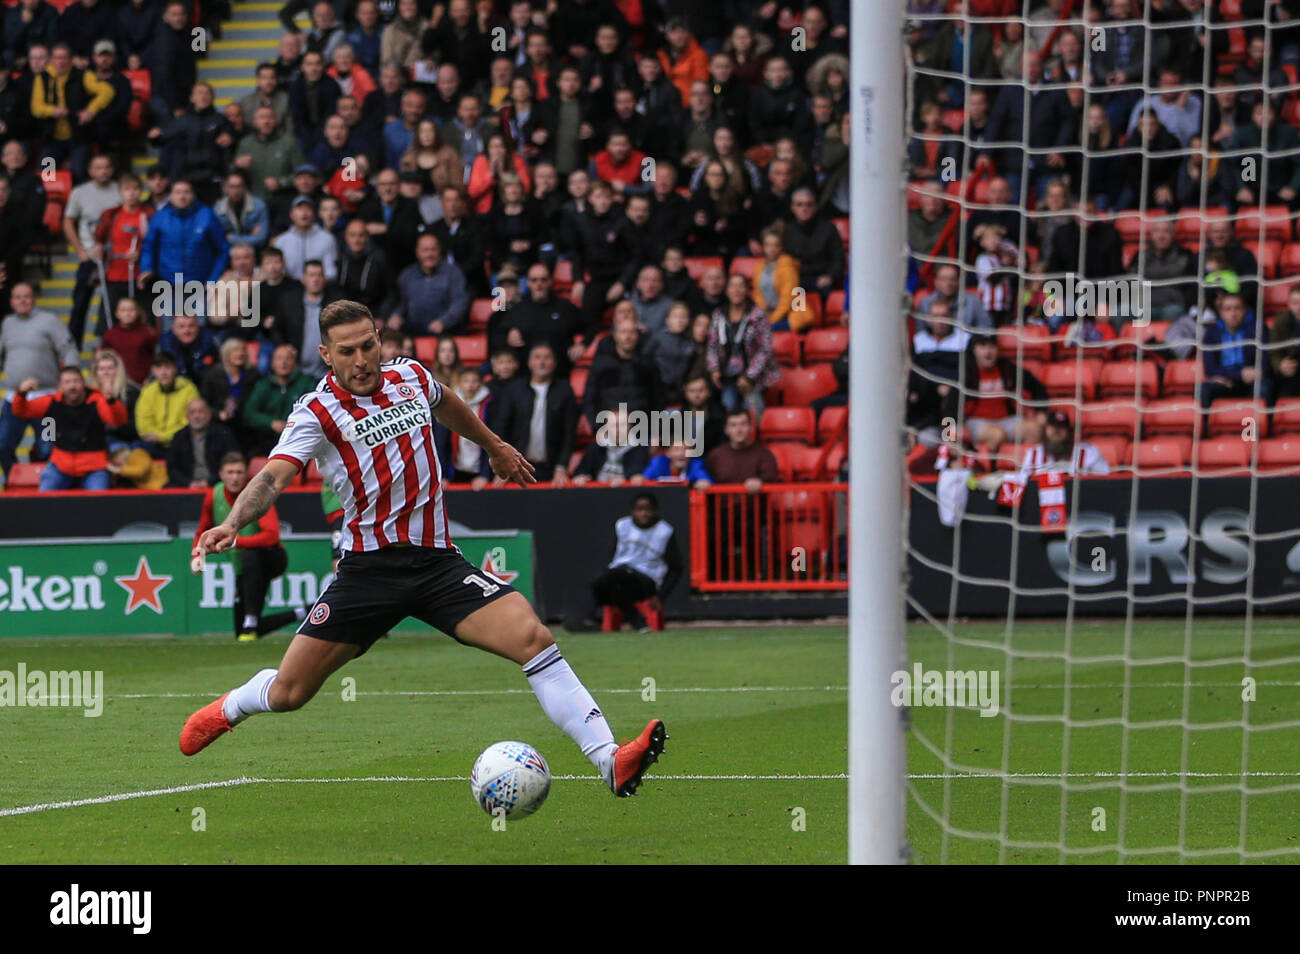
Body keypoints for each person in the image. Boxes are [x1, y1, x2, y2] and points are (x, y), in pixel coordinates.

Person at [183, 299, 667, 800]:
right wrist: (233, 521)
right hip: (368, 572)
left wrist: (495, 446)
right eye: (347, 351)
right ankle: (233, 707)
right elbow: (272, 476)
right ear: (327, 355)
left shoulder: (410, 375)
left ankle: (610, 760)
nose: (362, 360)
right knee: (290, 692)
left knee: (533, 637)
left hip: (438, 564)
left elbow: (448, 401)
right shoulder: (317, 411)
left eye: (369, 345)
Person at [194, 452, 307, 641]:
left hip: (271, 557)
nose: (235, 477)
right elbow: (202, 530)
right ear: (221, 474)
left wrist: (237, 542)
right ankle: (302, 613)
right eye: (230, 472)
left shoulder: (257, 494)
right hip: (243, 566)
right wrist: (197, 554)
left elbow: (272, 536)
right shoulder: (213, 495)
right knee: (243, 633)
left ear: (247, 474)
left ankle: (251, 619)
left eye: (239, 472)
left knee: (250, 556)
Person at [0, 282, 78, 479]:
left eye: (26, 296)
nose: (22, 301)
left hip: (47, 399)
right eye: (17, 297)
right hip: (15, 399)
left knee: (47, 447)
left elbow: (68, 350)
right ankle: (15, 482)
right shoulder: (7, 323)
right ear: (11, 302)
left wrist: (70, 380)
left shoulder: (49, 321)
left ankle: (42, 488)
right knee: (2, 444)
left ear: (34, 299)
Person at [12, 366, 127, 490]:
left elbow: (117, 420)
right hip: (60, 465)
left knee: (98, 503)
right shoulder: (53, 401)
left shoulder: (98, 400)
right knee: (43, 497)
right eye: (67, 382)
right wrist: (21, 394)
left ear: (83, 383)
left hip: (94, 467)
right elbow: (21, 411)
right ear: (60, 385)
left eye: (76, 381)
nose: (72, 386)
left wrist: (111, 400)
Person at [593, 492, 683, 633]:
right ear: (633, 511)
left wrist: (660, 596)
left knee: (611, 581)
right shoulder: (622, 525)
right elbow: (612, 556)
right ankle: (636, 620)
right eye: (640, 509)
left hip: (646, 579)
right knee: (603, 582)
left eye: (648, 509)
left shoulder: (664, 531)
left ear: (655, 511)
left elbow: (677, 568)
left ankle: (634, 620)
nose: (644, 514)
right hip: (619, 574)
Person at [706, 274, 780, 419]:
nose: (736, 290)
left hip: (753, 375)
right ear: (727, 290)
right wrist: (714, 368)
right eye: (732, 286)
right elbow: (712, 344)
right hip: (727, 375)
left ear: (747, 290)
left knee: (753, 414)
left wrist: (749, 376)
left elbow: (765, 349)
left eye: (741, 286)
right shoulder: (719, 314)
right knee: (728, 411)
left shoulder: (758, 315)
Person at [243, 343, 316, 455]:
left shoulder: (307, 382)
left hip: (300, 439)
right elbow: (249, 413)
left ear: (295, 362)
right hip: (269, 440)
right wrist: (271, 423)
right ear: (272, 363)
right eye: (279, 358)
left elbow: (314, 410)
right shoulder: (263, 385)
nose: (283, 363)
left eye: (288, 358)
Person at [135, 352, 200, 455]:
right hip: (154, 443)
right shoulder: (148, 391)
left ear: (175, 369)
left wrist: (162, 437)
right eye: (159, 368)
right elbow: (143, 423)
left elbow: (190, 422)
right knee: (136, 449)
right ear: (153, 371)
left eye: (167, 368)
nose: (163, 372)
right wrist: (155, 437)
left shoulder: (188, 389)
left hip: (180, 442)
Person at [165, 397, 240, 488]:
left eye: (200, 412)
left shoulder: (223, 434)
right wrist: (189, 483)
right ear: (187, 417)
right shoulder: (179, 437)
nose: (196, 416)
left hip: (218, 484)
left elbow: (233, 462)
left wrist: (209, 482)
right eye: (192, 412)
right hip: (186, 485)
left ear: (209, 415)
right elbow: (172, 469)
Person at [1018, 409, 1111, 477]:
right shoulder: (1034, 454)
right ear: (1045, 430)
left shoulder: (1088, 453)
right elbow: (1022, 483)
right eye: (1053, 427)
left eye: (1061, 427)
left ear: (1069, 432)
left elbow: (1105, 482)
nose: (1056, 431)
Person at [643, 440, 712, 489]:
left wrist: (704, 481)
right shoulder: (659, 463)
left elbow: (703, 477)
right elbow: (646, 477)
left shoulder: (695, 464)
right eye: (676, 449)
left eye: (686, 449)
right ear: (668, 453)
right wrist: (640, 479)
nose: (682, 453)